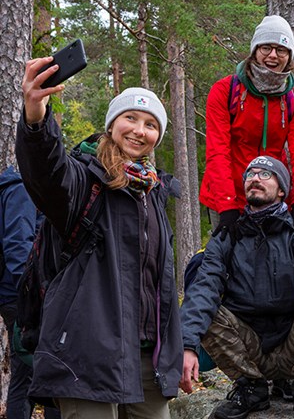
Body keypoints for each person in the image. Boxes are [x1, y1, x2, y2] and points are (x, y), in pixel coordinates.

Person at [16, 56, 183, 419]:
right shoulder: (83, 180)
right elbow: (47, 169)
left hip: (145, 360)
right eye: (131, 118)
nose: (140, 130)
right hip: (85, 356)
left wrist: (173, 353)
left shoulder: (153, 193)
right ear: (112, 124)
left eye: (151, 124)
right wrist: (35, 117)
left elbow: (160, 288)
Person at [181, 155, 294, 419]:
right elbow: (203, 287)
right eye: (250, 174)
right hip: (248, 349)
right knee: (208, 305)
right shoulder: (228, 235)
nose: (255, 178)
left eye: (265, 174)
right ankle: (251, 388)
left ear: (282, 189)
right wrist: (187, 345)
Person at [199, 15, 294, 236]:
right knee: (227, 266)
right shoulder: (225, 91)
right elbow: (217, 151)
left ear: (289, 56)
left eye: (281, 49)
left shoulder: (293, 100)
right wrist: (227, 205)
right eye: (266, 47)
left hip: (271, 197)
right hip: (228, 195)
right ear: (254, 51)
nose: (273, 55)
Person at [0, 166, 61, 419]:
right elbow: (17, 245)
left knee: (27, 374)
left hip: (16, 295)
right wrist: (34, 293)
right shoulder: (22, 188)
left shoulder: (17, 188)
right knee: (50, 371)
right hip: (22, 296)